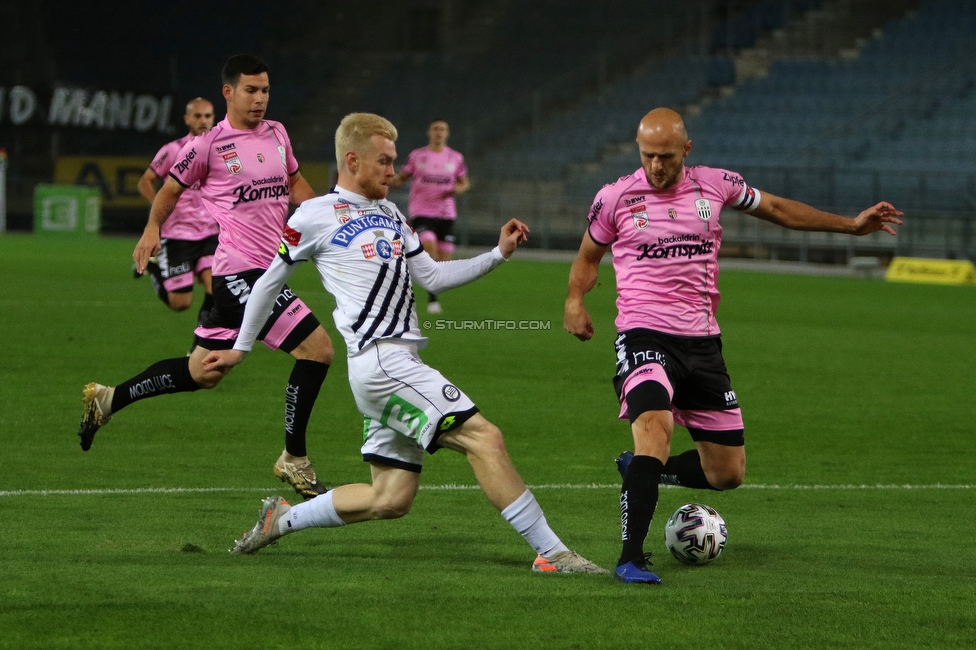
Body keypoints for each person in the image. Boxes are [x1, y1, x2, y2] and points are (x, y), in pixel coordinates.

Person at [205, 113, 606, 574]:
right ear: (352, 160)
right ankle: (554, 554)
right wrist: (242, 346)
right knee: (485, 438)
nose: (393, 171)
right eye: (384, 161)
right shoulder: (313, 215)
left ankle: (282, 519)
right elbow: (268, 283)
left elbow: (432, 274)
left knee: (390, 498)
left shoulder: (391, 213)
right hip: (383, 363)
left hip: (395, 362)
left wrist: (497, 255)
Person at [563, 107, 903, 584]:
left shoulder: (716, 184)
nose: (656, 166)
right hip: (643, 334)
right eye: (647, 156)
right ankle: (631, 557)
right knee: (655, 430)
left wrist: (850, 226)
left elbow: (778, 210)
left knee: (727, 474)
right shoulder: (615, 196)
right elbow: (587, 257)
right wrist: (575, 299)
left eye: (665, 156)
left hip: (702, 343)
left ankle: (641, 470)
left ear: (687, 149)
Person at [78, 54, 334, 501]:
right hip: (241, 273)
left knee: (202, 372)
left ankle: (107, 399)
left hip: (264, 270)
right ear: (228, 93)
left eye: (266, 90)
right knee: (318, 351)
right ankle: (294, 459)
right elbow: (169, 190)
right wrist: (152, 228)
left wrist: (328, 219)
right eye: (251, 90)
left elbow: (296, 186)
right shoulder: (208, 146)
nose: (260, 99)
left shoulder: (277, 134)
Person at [134, 97, 218, 324]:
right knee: (181, 304)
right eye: (198, 116)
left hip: (210, 232)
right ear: (187, 119)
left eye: (208, 116)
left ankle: (201, 346)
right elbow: (145, 181)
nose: (203, 120)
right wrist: (160, 207)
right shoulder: (173, 150)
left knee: (216, 288)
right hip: (178, 235)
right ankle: (156, 270)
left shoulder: (220, 150)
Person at [388, 118, 470, 314]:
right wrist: (390, 180)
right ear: (429, 132)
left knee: (444, 261)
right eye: (435, 129)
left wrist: (458, 188)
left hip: (446, 213)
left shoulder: (455, 158)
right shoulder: (418, 156)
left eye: (442, 129)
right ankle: (432, 298)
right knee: (429, 244)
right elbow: (402, 177)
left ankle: (417, 275)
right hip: (422, 211)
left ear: (447, 133)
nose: (439, 132)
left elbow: (464, 182)